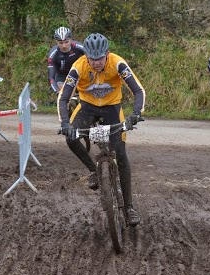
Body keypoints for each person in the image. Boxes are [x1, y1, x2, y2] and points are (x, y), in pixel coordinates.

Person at [58, 33, 145, 227]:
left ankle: (129, 207)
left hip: (112, 107)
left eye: (100, 58)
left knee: (120, 154)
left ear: (107, 54)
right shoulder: (78, 67)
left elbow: (138, 90)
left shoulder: (117, 63)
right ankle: (93, 171)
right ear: (86, 56)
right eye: (92, 59)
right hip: (87, 106)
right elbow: (63, 98)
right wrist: (64, 123)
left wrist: (136, 113)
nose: (96, 63)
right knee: (71, 138)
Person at [47, 26, 85, 95]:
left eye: (66, 42)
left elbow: (91, 58)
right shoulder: (53, 54)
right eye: (61, 43)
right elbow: (51, 77)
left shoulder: (78, 47)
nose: (64, 46)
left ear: (71, 39)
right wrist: (57, 92)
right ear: (56, 42)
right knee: (63, 91)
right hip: (62, 76)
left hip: (77, 72)